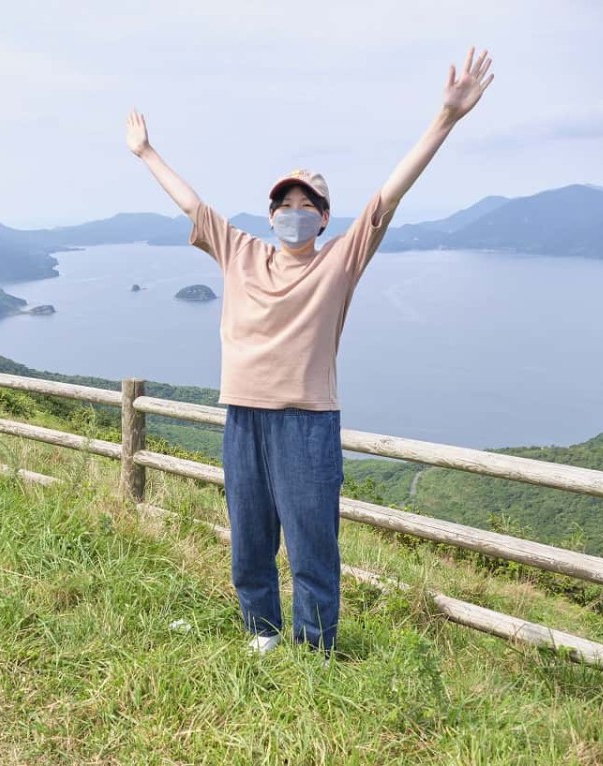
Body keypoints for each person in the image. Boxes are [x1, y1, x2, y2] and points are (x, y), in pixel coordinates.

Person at [126, 48, 494, 654]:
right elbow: (192, 204)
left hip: (307, 421)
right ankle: (262, 635)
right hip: (242, 415)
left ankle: (316, 648)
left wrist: (445, 119)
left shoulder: (339, 264)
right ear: (269, 214)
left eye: (307, 206)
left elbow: (388, 197)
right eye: (284, 205)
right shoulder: (239, 251)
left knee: (311, 543)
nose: (293, 214)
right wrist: (146, 153)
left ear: (324, 219)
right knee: (248, 539)